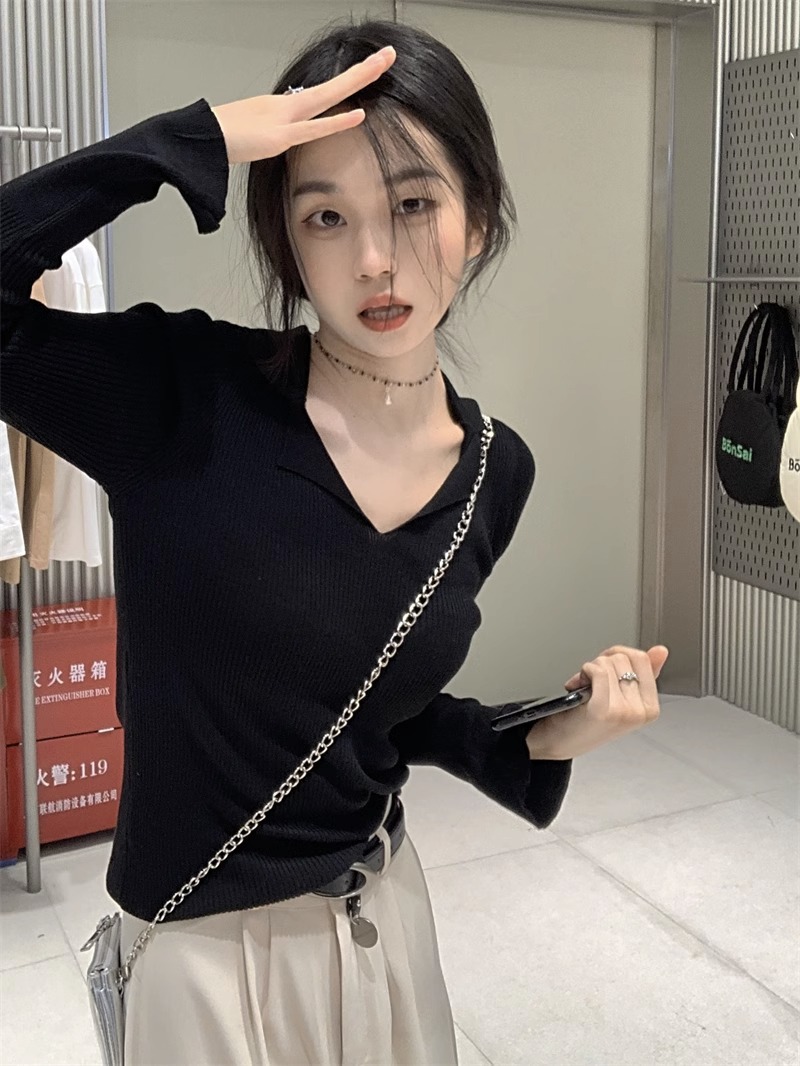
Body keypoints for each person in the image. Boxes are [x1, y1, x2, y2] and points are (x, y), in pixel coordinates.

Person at [1, 17, 668, 1065]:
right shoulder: (185, 397)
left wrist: (540, 737)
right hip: (203, 957)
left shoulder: (494, 470)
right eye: (325, 215)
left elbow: (366, 700)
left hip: (384, 926)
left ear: (479, 217)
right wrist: (188, 140)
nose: (372, 258)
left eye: (413, 203)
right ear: (287, 245)